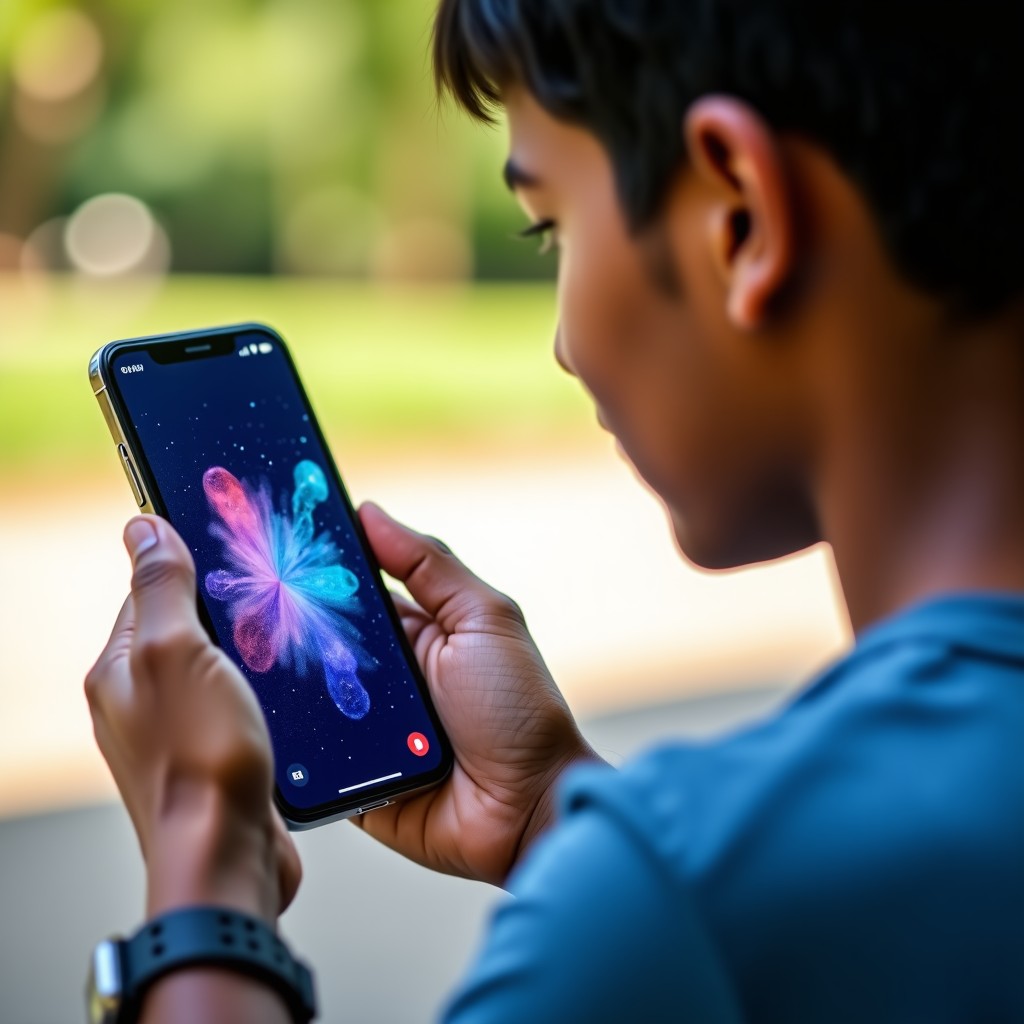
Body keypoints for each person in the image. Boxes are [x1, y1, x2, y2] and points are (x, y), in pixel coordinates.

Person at [84, 1, 1024, 1021]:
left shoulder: (685, 896)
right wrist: (546, 813)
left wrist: (204, 859)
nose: (565, 348)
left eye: (552, 228)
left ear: (742, 215)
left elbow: (721, 918)